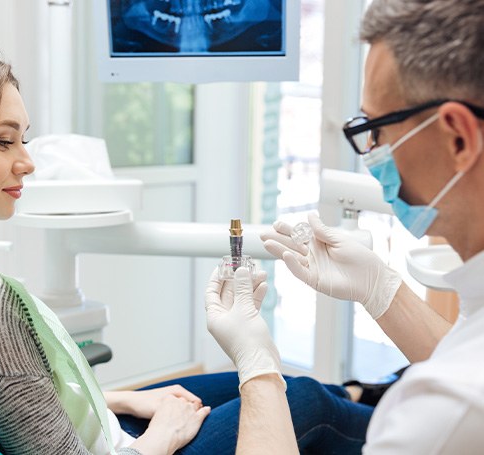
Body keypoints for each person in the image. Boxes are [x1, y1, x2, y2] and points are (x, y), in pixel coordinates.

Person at [0, 38, 385, 455]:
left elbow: (10, 404)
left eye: (24, 140)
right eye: (5, 142)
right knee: (304, 401)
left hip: (93, 427)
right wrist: (164, 434)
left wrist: (123, 398)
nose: (27, 163)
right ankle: (421, 421)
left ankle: (371, 393)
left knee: (301, 388)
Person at [206, 0, 484, 453]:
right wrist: (380, 288)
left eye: (376, 127)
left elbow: (463, 382)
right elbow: (467, 352)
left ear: (457, 136)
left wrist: (257, 367)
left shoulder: (446, 412)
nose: (371, 149)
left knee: (310, 401)